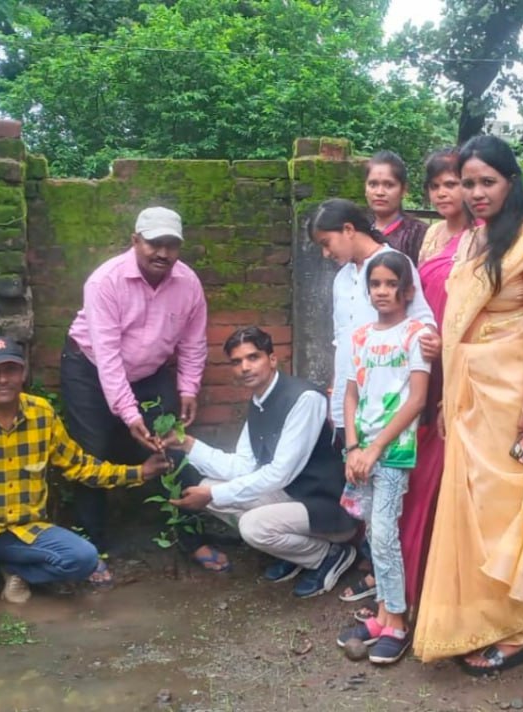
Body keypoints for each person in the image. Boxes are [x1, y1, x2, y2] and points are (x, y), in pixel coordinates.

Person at [413, 135, 523, 675]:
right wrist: (446, 396)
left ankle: (520, 627)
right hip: (468, 395)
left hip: (513, 398)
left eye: (487, 181)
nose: (477, 192)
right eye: (468, 183)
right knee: (468, 510)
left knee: (503, 511)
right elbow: (460, 321)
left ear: (511, 181)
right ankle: (480, 621)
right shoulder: (473, 240)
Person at [0, 335, 169, 631]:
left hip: (23, 532)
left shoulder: (42, 415)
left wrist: (139, 473)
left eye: (10, 370)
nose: (3, 379)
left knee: (84, 558)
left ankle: (16, 570)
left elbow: (79, 466)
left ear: (23, 373)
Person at [58, 206, 217, 579]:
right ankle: (90, 549)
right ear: (135, 241)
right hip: (90, 368)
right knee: (90, 453)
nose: (162, 253)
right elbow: (108, 354)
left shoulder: (188, 283)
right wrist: (129, 413)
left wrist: (188, 387)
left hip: (150, 371)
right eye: (153, 243)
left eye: (171, 245)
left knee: (171, 442)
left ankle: (190, 538)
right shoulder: (105, 282)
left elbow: (194, 342)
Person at [159, 327, 360, 599]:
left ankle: (327, 555)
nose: (245, 367)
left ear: (272, 359)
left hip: (328, 508)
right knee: (210, 490)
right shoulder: (259, 401)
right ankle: (295, 551)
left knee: (251, 526)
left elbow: (280, 473)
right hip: (294, 498)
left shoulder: (304, 399)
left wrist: (213, 493)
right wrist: (188, 445)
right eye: (237, 361)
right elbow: (243, 465)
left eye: (253, 357)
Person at [306, 197, 438, 604]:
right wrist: (337, 388)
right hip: (352, 397)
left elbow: (424, 323)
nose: (327, 254)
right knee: (360, 491)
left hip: (390, 406)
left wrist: (427, 349)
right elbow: (343, 338)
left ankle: (389, 591)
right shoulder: (343, 278)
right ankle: (375, 571)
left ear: (349, 229)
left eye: (328, 243)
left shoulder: (392, 263)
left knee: (386, 502)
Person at [334, 251, 431, 664]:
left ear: (407, 291)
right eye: (376, 284)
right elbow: (351, 393)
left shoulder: (414, 335)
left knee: (386, 534)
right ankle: (381, 615)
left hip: (393, 453)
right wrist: (354, 447)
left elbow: (418, 399)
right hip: (363, 453)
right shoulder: (360, 337)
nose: (383, 291)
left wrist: (375, 449)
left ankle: (398, 621)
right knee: (374, 535)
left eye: (392, 284)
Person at [392, 148, 471, 617]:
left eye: (453, 184)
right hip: (425, 361)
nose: (444, 193)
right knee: (415, 469)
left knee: (447, 474)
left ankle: (447, 589)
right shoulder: (434, 234)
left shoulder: (484, 238)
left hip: (461, 363)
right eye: (437, 186)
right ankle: (408, 583)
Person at [365, 151, 428, 264]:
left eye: (389, 185)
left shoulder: (419, 234)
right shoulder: (360, 230)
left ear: (404, 190)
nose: (379, 192)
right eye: (373, 184)